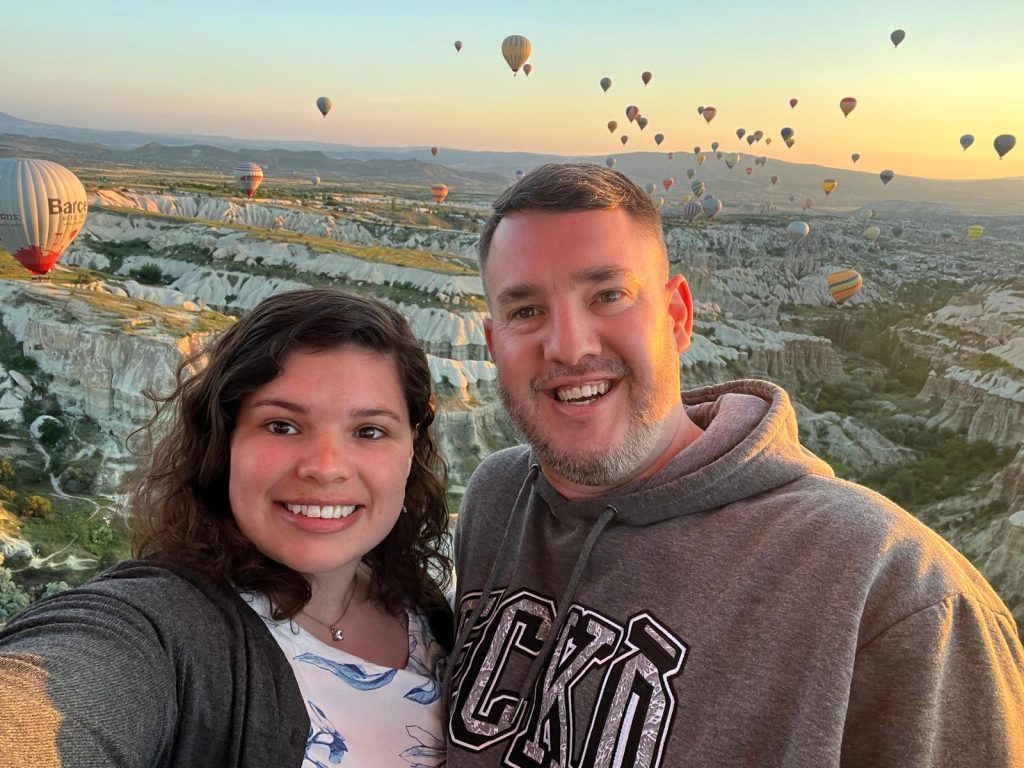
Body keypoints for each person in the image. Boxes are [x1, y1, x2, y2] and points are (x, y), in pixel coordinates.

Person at [444, 163, 1024, 766]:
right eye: (525, 311)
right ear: (492, 345)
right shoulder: (497, 497)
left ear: (677, 317)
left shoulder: (895, 588)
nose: (569, 345)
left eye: (608, 296)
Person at [0, 288, 453, 767]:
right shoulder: (165, 627)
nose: (325, 467)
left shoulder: (426, 610)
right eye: (281, 425)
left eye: (369, 431)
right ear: (224, 442)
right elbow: (52, 691)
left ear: (410, 450)